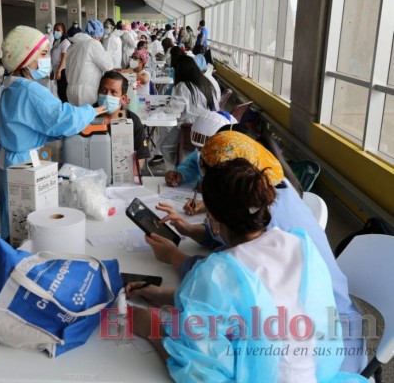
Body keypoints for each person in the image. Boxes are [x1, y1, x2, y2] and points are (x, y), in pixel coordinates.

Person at [127, 158, 367, 382]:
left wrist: (150, 326)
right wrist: (163, 295)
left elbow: (200, 374)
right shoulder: (299, 244)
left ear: (213, 220)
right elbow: (255, 304)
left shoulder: (216, 273)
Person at [0, 25, 106, 239]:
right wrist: (90, 111)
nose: (46, 60)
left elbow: (14, 121)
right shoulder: (29, 89)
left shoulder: (6, 86)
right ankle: (25, 260)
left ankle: (9, 251)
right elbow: (62, 117)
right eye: (42, 54)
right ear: (25, 59)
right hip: (24, 164)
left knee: (11, 215)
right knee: (30, 222)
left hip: (4, 161)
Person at [164, 110, 233, 189]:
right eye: (197, 148)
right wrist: (181, 175)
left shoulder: (233, 157)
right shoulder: (201, 152)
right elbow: (192, 166)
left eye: (202, 148)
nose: (200, 152)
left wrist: (209, 187)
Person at [96, 71, 150, 169]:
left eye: (113, 92)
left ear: (123, 98)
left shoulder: (132, 121)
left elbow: (140, 159)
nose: (107, 96)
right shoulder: (87, 116)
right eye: (103, 91)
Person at [65, 18, 113, 106]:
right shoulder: (93, 43)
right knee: (89, 118)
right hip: (87, 92)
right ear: (98, 34)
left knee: (77, 117)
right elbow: (108, 66)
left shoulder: (73, 45)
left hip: (70, 90)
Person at [50, 22, 71, 103]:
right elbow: (54, 58)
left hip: (63, 71)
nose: (56, 32)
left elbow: (64, 58)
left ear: (63, 31)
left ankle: (67, 111)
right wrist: (53, 71)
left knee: (63, 93)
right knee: (59, 92)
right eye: (54, 30)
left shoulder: (65, 42)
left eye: (58, 30)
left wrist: (59, 71)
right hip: (56, 70)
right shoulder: (57, 42)